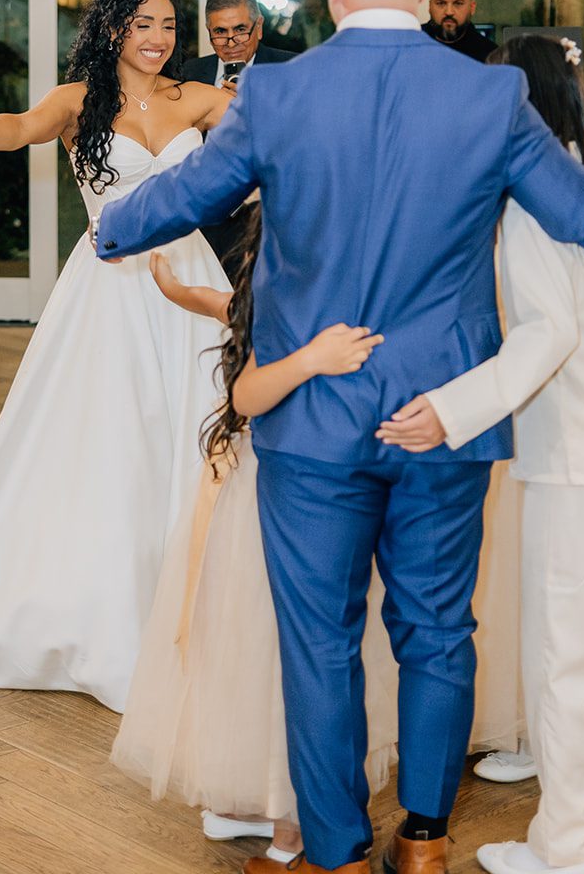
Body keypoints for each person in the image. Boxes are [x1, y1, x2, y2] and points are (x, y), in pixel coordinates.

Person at [94, 0, 584, 874]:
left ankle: (336, 852)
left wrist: (113, 228)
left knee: (318, 642)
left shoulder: (277, 92)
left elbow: (185, 199)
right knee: (438, 631)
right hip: (439, 419)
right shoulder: (488, 96)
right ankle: (426, 841)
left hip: (311, 419)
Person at [0, 0, 232, 713]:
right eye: (143, 24)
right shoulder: (76, 102)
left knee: (198, 434)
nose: (159, 38)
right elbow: (21, 124)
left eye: (168, 25)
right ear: (113, 29)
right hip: (109, 287)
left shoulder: (198, 99)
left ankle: (202, 609)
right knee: (111, 441)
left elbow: (274, 133)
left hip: (189, 280)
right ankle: (104, 614)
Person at [380, 32, 584, 874]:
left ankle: (563, 846)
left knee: (566, 658)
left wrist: (450, 410)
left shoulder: (528, 204)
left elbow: (548, 334)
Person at [112, 226, 390, 866]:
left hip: (285, 503)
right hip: (255, 503)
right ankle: (256, 797)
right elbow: (210, 301)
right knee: (250, 652)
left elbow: (242, 378)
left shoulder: (300, 319)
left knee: (274, 659)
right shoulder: (285, 306)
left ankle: (291, 824)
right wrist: (171, 284)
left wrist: (308, 358)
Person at [182, 0, 293, 276]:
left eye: (240, 30)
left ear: (259, 27)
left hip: (270, 216)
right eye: (220, 32)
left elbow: (303, 139)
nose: (231, 42)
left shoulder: (290, 69)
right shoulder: (190, 73)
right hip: (206, 218)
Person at [423, 0, 498, 61]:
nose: (449, 12)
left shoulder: (490, 55)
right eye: (441, 3)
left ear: (472, 7)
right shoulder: (413, 43)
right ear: (430, 6)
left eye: (458, 3)